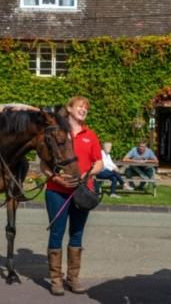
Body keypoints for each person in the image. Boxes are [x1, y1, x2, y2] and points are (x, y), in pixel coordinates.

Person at [40, 96, 103, 296]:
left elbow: (99, 163)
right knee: (57, 233)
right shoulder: (58, 132)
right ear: (69, 108)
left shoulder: (90, 135)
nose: (84, 110)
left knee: (77, 234)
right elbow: (43, 164)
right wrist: (56, 179)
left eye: (86, 108)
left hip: (82, 191)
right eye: (80, 106)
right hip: (57, 191)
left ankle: (73, 278)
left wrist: (88, 174)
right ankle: (56, 280)